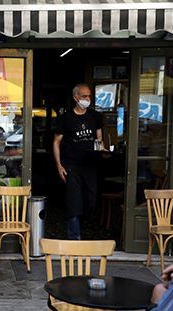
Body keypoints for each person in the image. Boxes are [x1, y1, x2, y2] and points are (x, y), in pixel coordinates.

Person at [53, 83, 104, 240]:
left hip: (90, 165)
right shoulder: (67, 118)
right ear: (76, 98)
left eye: (89, 96)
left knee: (91, 200)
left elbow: (99, 138)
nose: (87, 99)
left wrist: (101, 148)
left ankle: (88, 228)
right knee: (73, 201)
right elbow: (56, 142)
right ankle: (74, 237)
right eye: (84, 96)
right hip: (72, 165)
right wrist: (59, 166)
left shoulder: (95, 116)